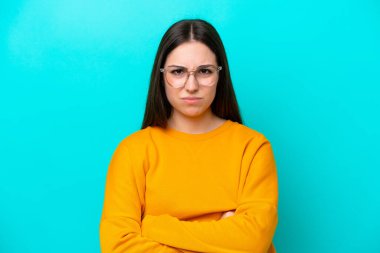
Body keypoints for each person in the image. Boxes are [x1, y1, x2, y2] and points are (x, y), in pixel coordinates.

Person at [99, 19, 278, 253]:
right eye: (178, 72)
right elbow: (118, 246)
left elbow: (253, 242)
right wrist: (221, 238)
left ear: (220, 75)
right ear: (162, 76)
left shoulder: (252, 148)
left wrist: (154, 227)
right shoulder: (133, 151)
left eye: (204, 71)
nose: (191, 85)